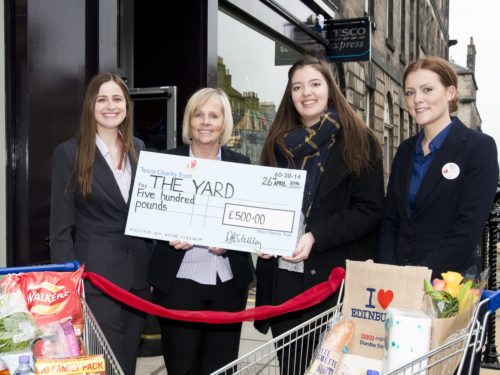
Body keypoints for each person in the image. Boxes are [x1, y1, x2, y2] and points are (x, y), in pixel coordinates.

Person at [254, 55, 385, 374]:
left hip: (332, 282)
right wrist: (260, 235)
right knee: (292, 367)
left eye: (314, 83)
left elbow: (369, 210)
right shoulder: (277, 143)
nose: (305, 92)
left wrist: (316, 236)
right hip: (283, 279)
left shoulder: (359, 139)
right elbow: (265, 205)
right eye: (297, 86)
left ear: (330, 88)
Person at [50, 72, 153, 375]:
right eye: (103, 99)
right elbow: (60, 229)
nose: (111, 106)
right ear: (90, 105)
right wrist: (68, 287)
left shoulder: (140, 148)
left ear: (126, 105)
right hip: (96, 280)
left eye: (117, 99)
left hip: (138, 278)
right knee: (108, 365)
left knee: (129, 362)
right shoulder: (69, 153)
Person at [148, 88, 255, 375]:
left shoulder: (242, 165)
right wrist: (166, 235)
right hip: (179, 282)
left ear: (224, 123)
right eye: (198, 114)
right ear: (189, 122)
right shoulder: (165, 163)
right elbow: (148, 220)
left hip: (228, 283)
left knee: (222, 368)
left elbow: (250, 222)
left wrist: (231, 240)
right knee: (182, 367)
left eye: (213, 115)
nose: (205, 122)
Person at [377, 56, 499, 278]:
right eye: (410, 92)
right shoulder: (405, 150)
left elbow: (467, 229)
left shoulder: (479, 147)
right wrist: (390, 271)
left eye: (427, 89)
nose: (417, 99)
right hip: (399, 280)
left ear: (450, 93)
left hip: (449, 283)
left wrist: (418, 276)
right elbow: (391, 219)